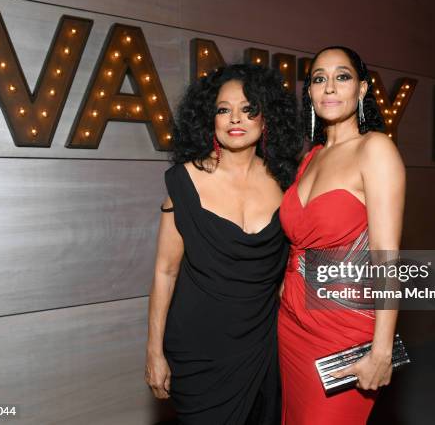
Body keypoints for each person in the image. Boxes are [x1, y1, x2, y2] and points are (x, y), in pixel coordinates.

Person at [145, 64, 302, 425]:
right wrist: (154, 351)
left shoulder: (287, 183)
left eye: (249, 109)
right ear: (209, 118)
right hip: (197, 349)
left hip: (262, 346)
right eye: (223, 109)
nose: (236, 119)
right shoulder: (184, 181)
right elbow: (165, 272)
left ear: (267, 119)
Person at [278, 46, 406, 424]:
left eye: (342, 76)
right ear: (311, 93)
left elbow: (387, 255)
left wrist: (381, 350)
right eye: (319, 79)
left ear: (362, 89)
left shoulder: (376, 149)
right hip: (291, 322)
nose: (329, 87)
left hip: (344, 327)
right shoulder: (311, 156)